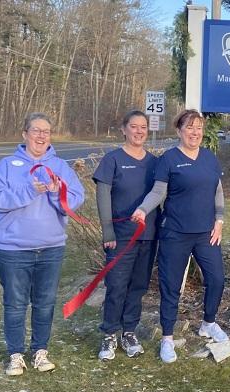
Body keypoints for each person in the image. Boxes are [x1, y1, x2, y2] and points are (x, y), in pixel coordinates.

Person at [0, 112, 85, 375]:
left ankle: (40, 351)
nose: (41, 135)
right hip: (13, 249)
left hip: (51, 248)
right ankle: (15, 354)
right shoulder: (7, 165)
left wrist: (56, 192)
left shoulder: (60, 166)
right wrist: (31, 190)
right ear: (25, 134)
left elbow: (76, 198)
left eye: (46, 131)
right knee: (15, 303)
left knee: (44, 303)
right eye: (36, 130)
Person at [132, 109, 228, 363]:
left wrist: (219, 221)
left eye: (199, 128)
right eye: (189, 128)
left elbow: (218, 192)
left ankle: (208, 323)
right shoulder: (169, 159)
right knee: (171, 286)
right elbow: (158, 192)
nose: (195, 133)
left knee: (217, 279)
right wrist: (142, 209)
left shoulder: (209, 158)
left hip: (206, 233)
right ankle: (167, 338)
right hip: (175, 233)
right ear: (179, 131)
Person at [93, 110, 159, 361]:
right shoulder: (112, 160)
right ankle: (110, 333)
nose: (139, 131)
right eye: (134, 126)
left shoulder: (154, 163)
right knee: (117, 285)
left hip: (148, 235)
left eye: (143, 127)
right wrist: (107, 231)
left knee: (138, 286)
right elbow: (103, 197)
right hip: (120, 236)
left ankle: (129, 331)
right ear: (123, 129)